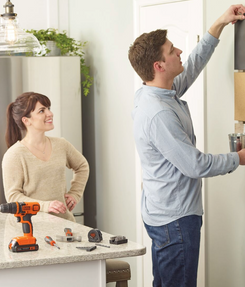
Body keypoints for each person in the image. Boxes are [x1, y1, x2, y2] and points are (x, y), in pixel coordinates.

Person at [128, 4, 245, 287]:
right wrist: (239, 158)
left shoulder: (155, 91)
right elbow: (195, 164)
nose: (179, 51)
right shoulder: (158, 113)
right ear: (159, 66)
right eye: (172, 50)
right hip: (175, 221)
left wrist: (219, 23)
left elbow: (191, 65)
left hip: (163, 212)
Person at [2, 92, 89, 222]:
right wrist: (45, 206)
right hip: (31, 228)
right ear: (26, 120)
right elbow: (13, 197)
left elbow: (82, 166)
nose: (50, 114)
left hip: (64, 224)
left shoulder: (61, 145)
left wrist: (75, 194)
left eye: (48, 108)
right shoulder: (14, 155)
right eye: (42, 111)